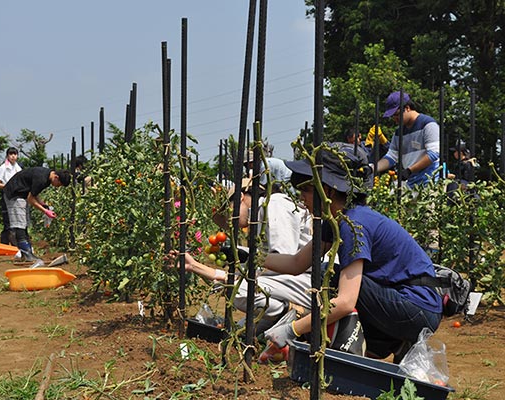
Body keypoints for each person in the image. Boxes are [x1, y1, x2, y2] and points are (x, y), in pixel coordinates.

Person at [262, 143, 442, 364]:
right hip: (399, 300)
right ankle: (387, 344)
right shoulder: (335, 221)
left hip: (419, 309)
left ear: (327, 189)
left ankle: (397, 337)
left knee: (334, 279)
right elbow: (297, 262)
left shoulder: (353, 224)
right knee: (326, 275)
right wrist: (251, 258)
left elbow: (347, 302)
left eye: (307, 190)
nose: (301, 198)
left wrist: (291, 330)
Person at [171, 177, 313, 336]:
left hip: (308, 281)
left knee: (238, 290)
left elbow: (283, 262)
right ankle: (287, 312)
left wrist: (239, 266)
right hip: (293, 283)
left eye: (229, 211)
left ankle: (299, 311)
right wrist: (195, 266)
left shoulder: (274, 204)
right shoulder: (262, 216)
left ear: (240, 197)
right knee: (240, 331)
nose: (231, 221)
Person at [3, 166, 71, 265]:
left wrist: (43, 204)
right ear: (56, 177)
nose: (57, 186)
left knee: (24, 223)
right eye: (59, 184)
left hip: (21, 194)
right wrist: (45, 211)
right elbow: (31, 199)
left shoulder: (47, 177)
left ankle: (26, 253)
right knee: (20, 224)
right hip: (14, 194)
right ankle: (27, 254)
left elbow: (34, 193)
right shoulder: (42, 179)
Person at [374, 91, 440, 188]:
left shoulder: (428, 125)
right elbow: (391, 157)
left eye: (396, 114)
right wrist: (372, 168)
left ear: (407, 108)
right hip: (410, 184)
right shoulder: (398, 133)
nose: (395, 119)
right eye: (393, 116)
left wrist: (409, 170)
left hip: (428, 184)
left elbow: (433, 154)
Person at [0, 147, 22, 245]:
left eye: (15, 154)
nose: (13, 156)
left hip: (16, 196)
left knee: (15, 219)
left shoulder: (18, 168)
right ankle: (6, 244)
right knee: (7, 220)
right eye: (11, 154)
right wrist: (9, 187)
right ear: (7, 156)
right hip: (7, 194)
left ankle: (8, 243)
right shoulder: (3, 167)